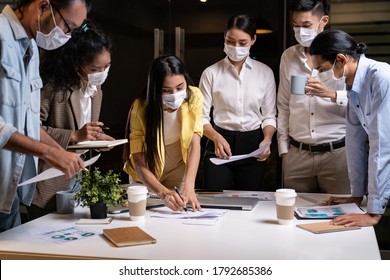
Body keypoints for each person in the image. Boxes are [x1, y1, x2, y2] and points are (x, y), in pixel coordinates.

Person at [0, 0, 90, 232]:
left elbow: (28, 123)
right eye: (67, 27)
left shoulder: (30, 49)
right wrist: (49, 152)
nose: (67, 36)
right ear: (43, 7)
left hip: (8, 193)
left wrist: (60, 154)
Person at [26, 21, 115, 219]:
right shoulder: (52, 86)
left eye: (106, 66)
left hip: (79, 173)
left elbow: (83, 128)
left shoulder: (95, 89)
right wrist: (74, 135)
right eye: (94, 69)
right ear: (77, 64)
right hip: (49, 178)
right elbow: (30, 128)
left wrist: (96, 138)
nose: (102, 74)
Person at [310, 29, 390, 227]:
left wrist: (373, 212)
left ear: (340, 59)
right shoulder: (352, 85)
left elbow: (382, 146)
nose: (318, 76)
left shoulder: (381, 77)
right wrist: (356, 196)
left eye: (321, 69)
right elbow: (355, 142)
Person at [277, 0, 350, 194]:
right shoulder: (288, 57)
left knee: (341, 216)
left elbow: (360, 102)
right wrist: (284, 150)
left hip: (337, 155)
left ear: (323, 21)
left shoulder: (342, 55)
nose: (300, 31)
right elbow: (283, 105)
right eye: (296, 25)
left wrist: (331, 94)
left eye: (306, 25)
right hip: (296, 155)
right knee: (293, 217)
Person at [199, 14, 276, 191]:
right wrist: (216, 138)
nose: (236, 47)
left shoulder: (265, 73)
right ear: (224, 37)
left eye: (243, 43)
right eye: (230, 41)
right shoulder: (211, 73)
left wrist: (267, 140)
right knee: (215, 199)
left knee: (250, 200)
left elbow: (269, 116)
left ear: (253, 40)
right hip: (219, 142)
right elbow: (201, 118)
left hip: (253, 145)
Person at [123, 55, 203, 211]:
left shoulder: (194, 96)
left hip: (178, 164)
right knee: (143, 214)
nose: (174, 94)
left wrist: (189, 185)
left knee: (178, 210)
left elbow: (195, 143)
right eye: (166, 90)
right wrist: (161, 192)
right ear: (155, 89)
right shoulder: (140, 107)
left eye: (180, 87)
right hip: (148, 167)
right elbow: (138, 159)